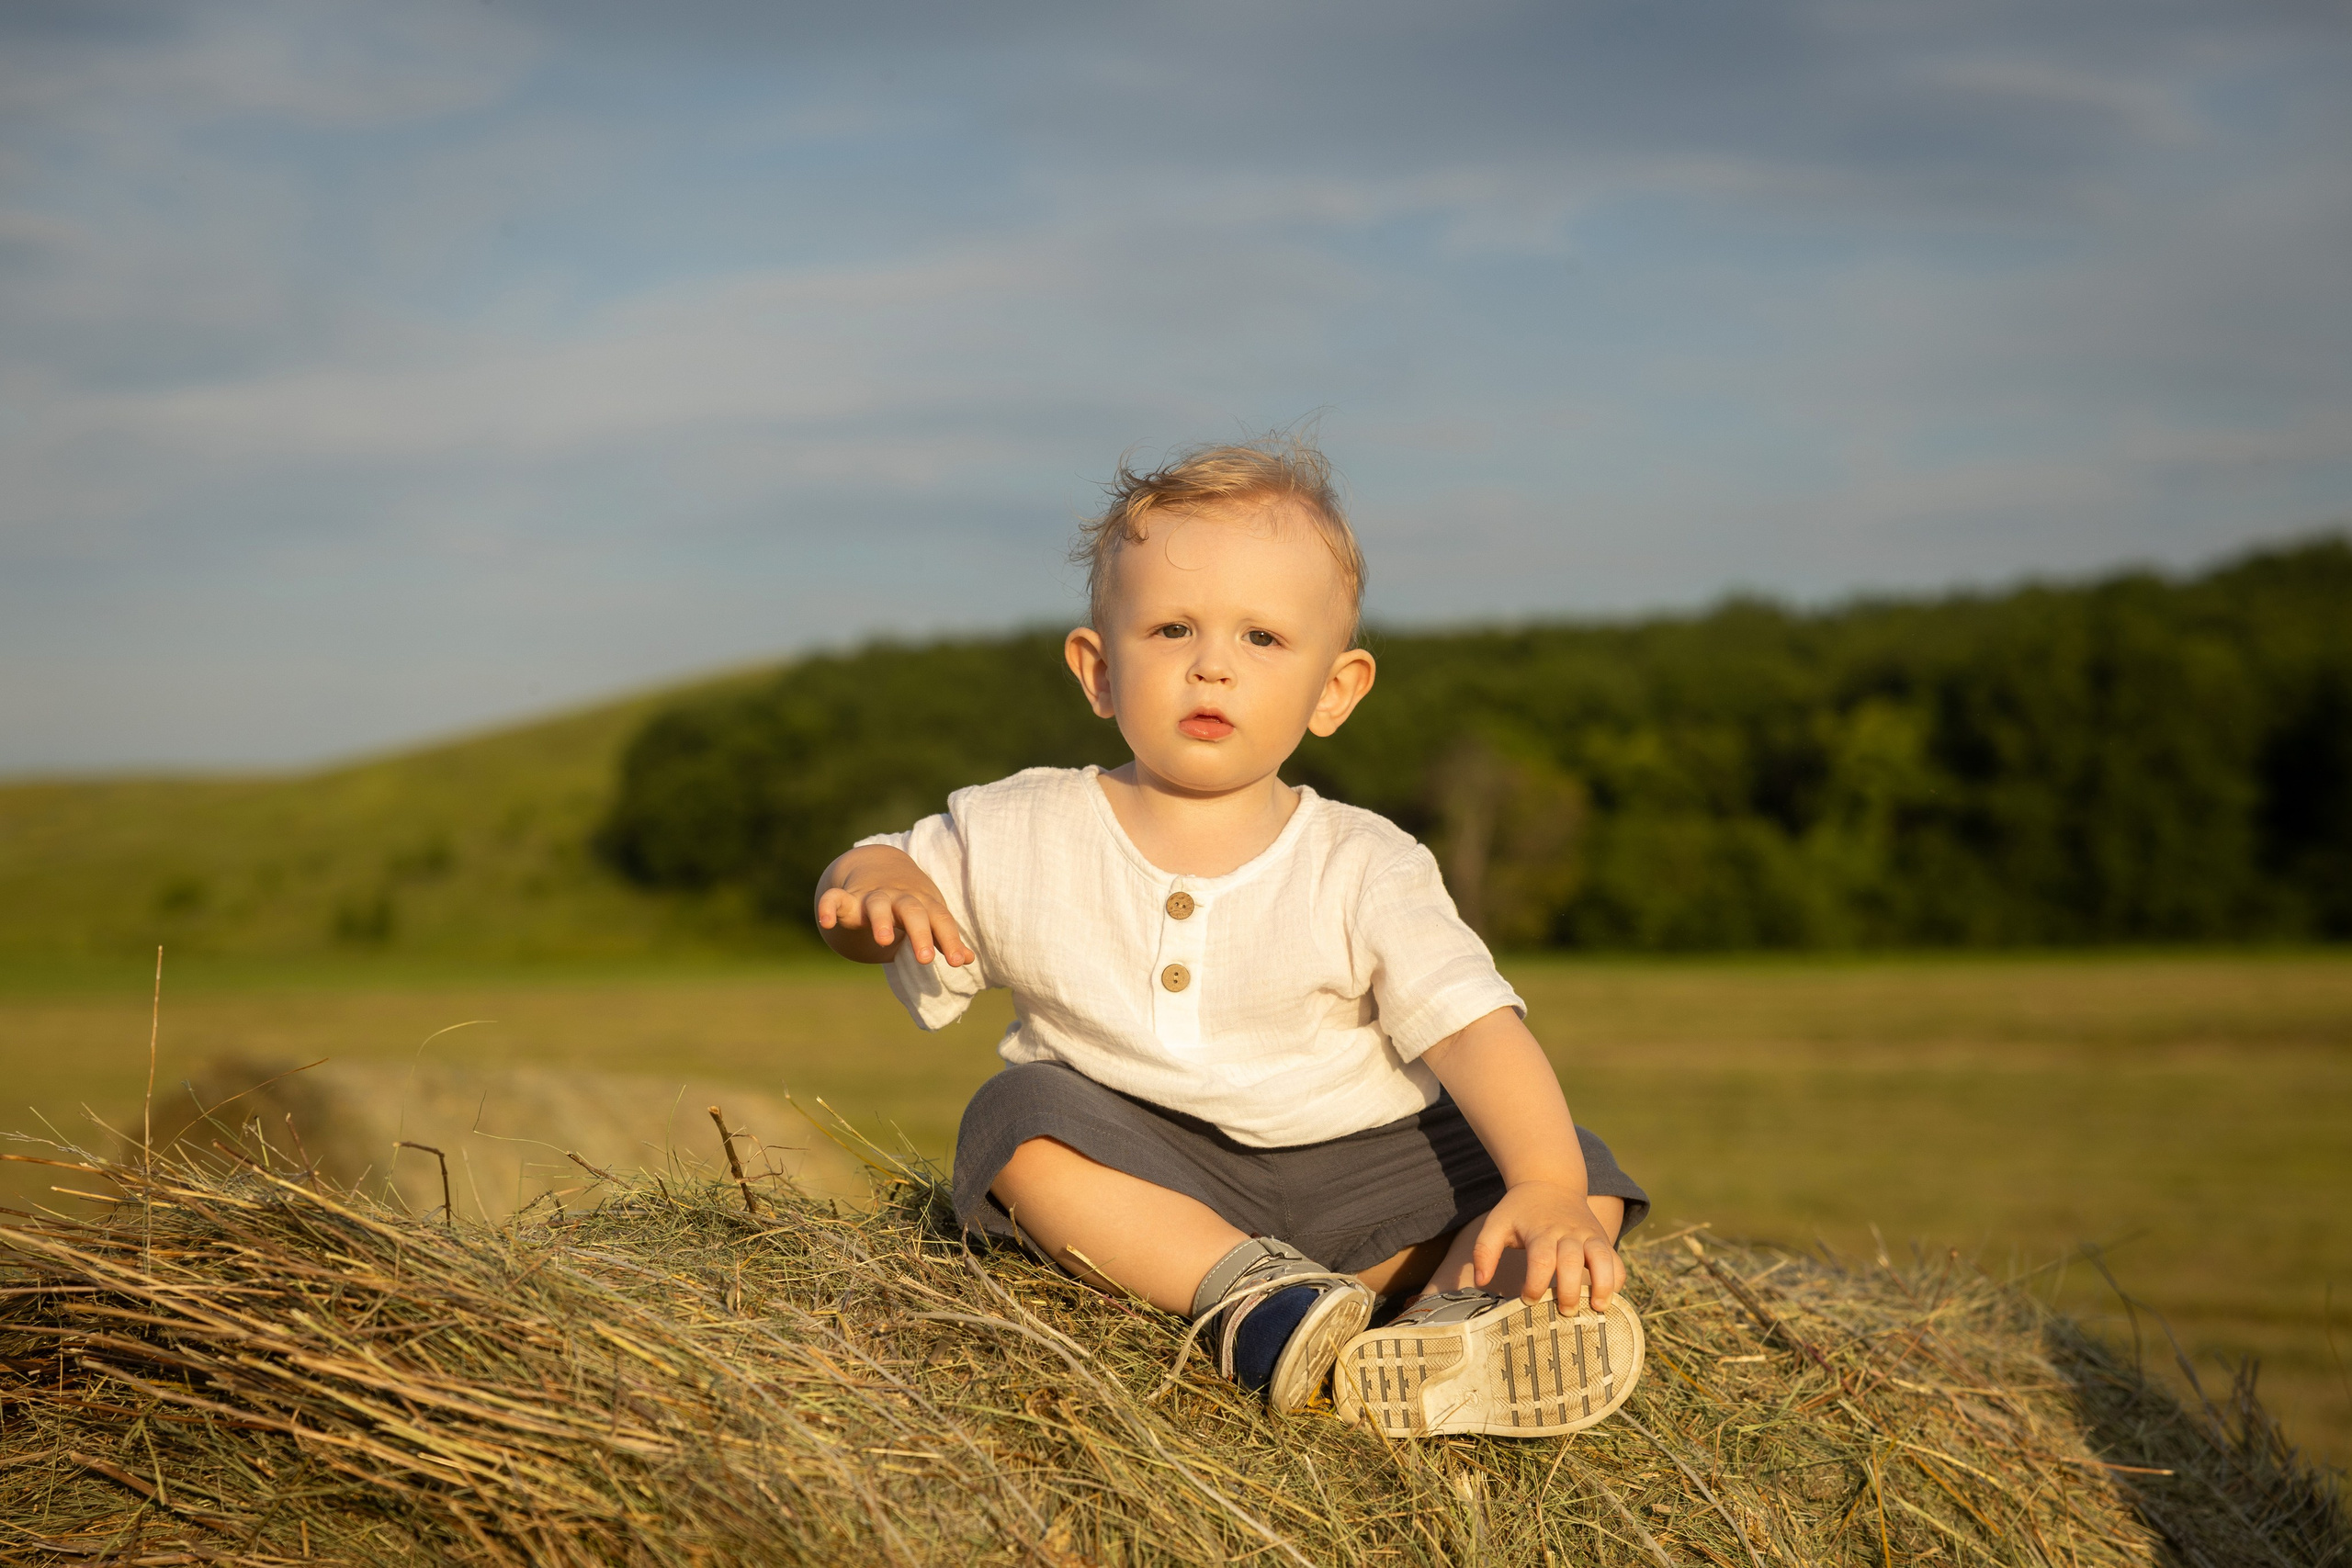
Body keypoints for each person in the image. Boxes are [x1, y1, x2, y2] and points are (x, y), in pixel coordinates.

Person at [812, 435, 1649, 1435]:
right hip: (1152, 1174)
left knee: (1580, 1172)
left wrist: (1546, 1187)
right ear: (1098, 670)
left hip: (1365, 1176)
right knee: (1016, 1120)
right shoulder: (1019, 826)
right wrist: (873, 887)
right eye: (1171, 629)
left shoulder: (1365, 861)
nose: (1212, 665)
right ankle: (1256, 1303)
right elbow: (872, 882)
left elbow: (1472, 1028)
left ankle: (1435, 1331)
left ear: (1333, 690)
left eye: (1262, 639)